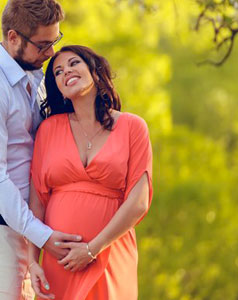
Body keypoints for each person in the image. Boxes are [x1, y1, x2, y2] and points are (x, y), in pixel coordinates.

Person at [0, 0, 83, 299]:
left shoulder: (34, 78)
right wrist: (43, 235)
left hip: (22, 229)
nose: (51, 53)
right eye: (42, 44)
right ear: (13, 38)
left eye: (55, 41)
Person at [27, 45, 154, 299]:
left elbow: (138, 202)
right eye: (58, 72)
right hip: (60, 260)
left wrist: (92, 249)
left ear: (94, 72)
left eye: (74, 63)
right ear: (58, 88)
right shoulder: (48, 130)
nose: (67, 72)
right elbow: (37, 202)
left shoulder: (132, 127)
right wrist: (32, 262)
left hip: (110, 253)